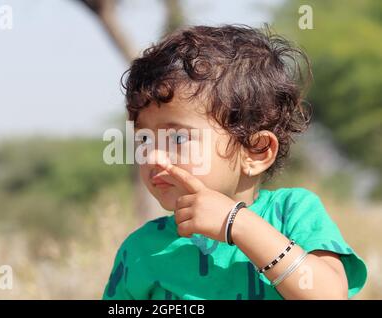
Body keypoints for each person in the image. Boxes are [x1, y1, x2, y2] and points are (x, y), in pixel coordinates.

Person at [102, 24, 367, 300]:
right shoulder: (141, 250)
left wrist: (237, 224)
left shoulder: (292, 214)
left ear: (257, 151)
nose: (153, 156)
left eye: (178, 139)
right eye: (145, 140)